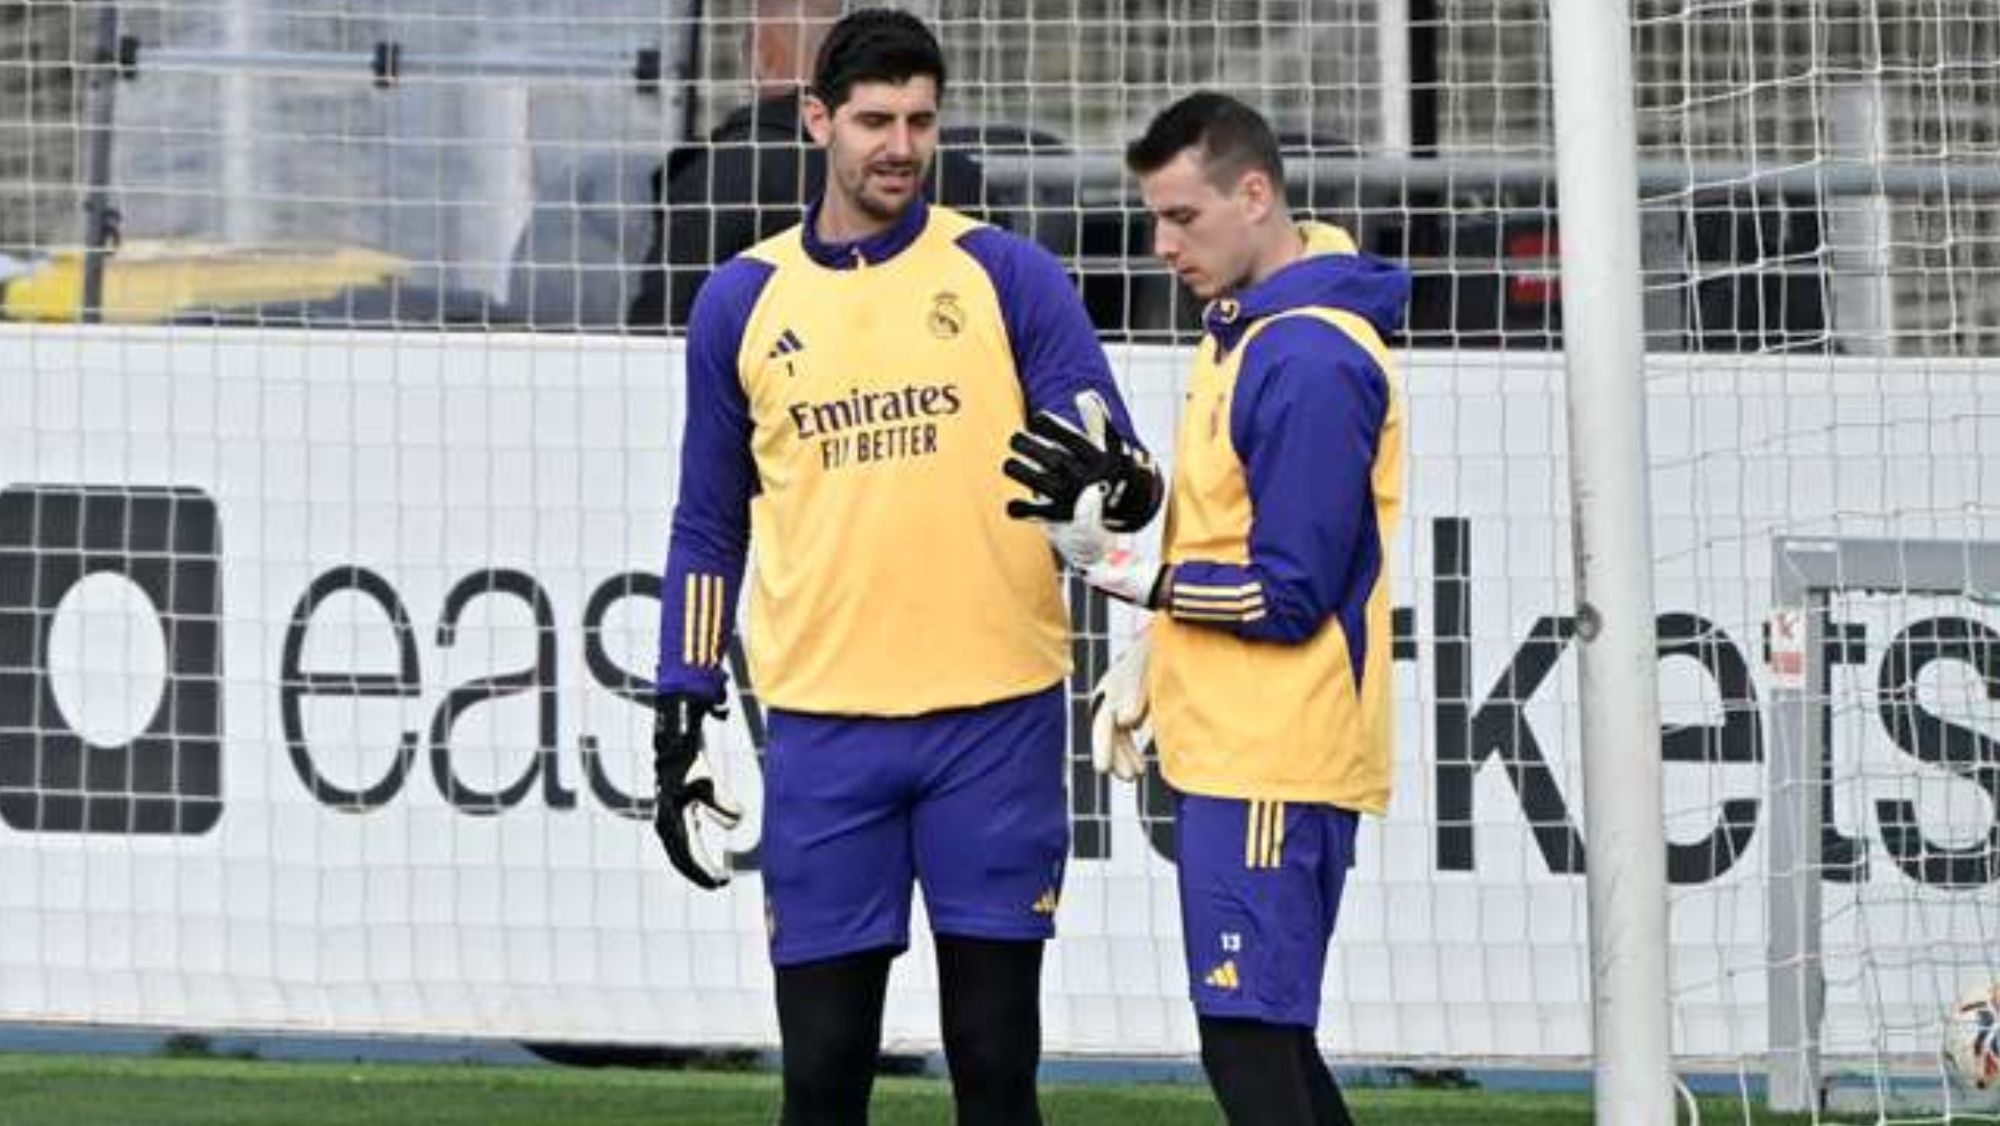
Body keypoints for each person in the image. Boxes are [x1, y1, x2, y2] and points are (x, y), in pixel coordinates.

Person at [649, 10, 1161, 1126]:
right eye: (874, 119)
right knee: (822, 1079)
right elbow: (706, 524)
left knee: (993, 1069)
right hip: (826, 730)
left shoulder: (1004, 274)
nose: (898, 144)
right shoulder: (740, 299)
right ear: (817, 120)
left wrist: (1120, 486)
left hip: (995, 720)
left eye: (919, 120)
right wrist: (682, 698)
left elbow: (1107, 447)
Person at [1004, 91, 1410, 1125]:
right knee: (1264, 1037)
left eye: (1181, 217)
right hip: (1238, 740)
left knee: (1246, 1041)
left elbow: (1288, 592)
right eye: (1152, 217)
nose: (1159, 244)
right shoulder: (1240, 329)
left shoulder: (1308, 356)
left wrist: (1133, 580)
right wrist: (1155, 642)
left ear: (1254, 195)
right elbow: (1226, 538)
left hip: (1275, 749)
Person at [626, 0, 989, 333]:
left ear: (763, 55)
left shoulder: (720, 177)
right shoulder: (959, 176)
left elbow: (661, 332)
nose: (898, 146)